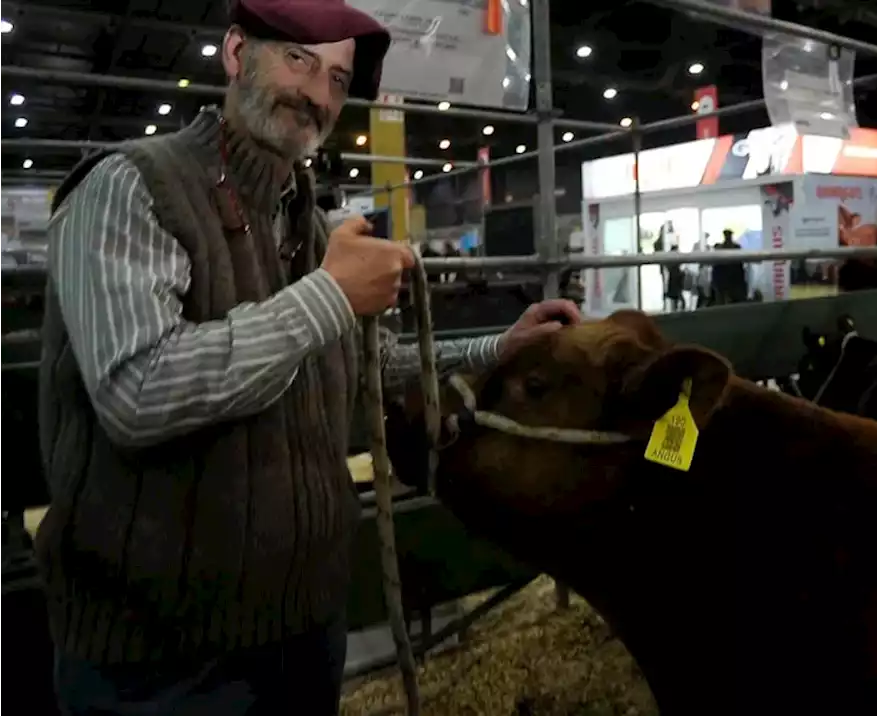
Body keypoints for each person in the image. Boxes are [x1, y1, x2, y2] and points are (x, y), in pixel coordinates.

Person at [36, 1, 579, 713]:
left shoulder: (306, 218)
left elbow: (361, 361)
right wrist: (329, 293)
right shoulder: (130, 187)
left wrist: (497, 347)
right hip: (163, 659)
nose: (318, 95)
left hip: (302, 627)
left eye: (336, 77)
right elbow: (138, 393)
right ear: (235, 53)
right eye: (298, 59)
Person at [711, 229, 748, 305]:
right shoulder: (735, 247)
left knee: (726, 301)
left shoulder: (722, 249)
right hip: (729, 279)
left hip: (731, 279)